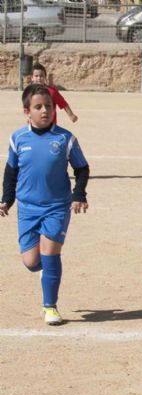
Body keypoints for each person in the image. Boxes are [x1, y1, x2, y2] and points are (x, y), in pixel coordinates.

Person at [0, 84, 90, 325]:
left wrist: (78, 194)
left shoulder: (65, 138)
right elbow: (11, 172)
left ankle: (50, 306)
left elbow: (81, 168)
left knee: (50, 253)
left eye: (48, 106)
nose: (44, 111)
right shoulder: (17, 138)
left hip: (57, 207)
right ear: (26, 112)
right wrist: (6, 200)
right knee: (31, 262)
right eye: (38, 107)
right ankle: (48, 270)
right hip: (28, 208)